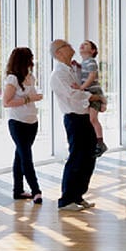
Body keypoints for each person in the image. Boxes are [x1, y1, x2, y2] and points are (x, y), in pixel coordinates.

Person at [51, 40, 97, 210]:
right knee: (76, 157)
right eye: (66, 45)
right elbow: (73, 94)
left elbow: (86, 82)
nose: (72, 47)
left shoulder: (73, 68)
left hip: (84, 117)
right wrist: (93, 97)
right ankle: (66, 199)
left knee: (89, 156)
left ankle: (78, 195)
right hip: (74, 118)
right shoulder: (58, 74)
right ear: (58, 53)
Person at [2, 47, 45, 204]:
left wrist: (34, 98)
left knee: (19, 156)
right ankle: (36, 190)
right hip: (17, 123)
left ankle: (18, 190)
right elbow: (6, 102)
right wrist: (29, 98)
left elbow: (32, 97)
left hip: (32, 122)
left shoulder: (31, 77)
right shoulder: (12, 79)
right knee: (26, 156)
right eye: (30, 58)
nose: (32, 61)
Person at [77, 40, 107, 156]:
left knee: (93, 119)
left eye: (86, 44)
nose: (82, 45)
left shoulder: (91, 62)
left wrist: (81, 87)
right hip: (89, 93)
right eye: (82, 43)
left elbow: (92, 76)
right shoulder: (84, 62)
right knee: (90, 120)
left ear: (93, 51)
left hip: (93, 91)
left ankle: (100, 143)